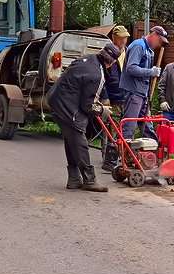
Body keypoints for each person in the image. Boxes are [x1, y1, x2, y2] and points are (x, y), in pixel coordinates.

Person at [47, 42, 123, 192]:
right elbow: (88, 106)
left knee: (72, 138)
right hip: (66, 105)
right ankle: (89, 180)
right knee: (79, 139)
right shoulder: (97, 75)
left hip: (54, 99)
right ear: (111, 62)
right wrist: (102, 110)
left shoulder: (87, 58)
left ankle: (74, 179)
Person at [119, 25, 169, 138]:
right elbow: (131, 68)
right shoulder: (139, 46)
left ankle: (150, 153)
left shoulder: (149, 50)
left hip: (142, 94)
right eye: (160, 41)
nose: (160, 44)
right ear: (154, 35)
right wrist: (150, 72)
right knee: (129, 126)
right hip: (133, 92)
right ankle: (121, 153)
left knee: (147, 125)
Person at [100, 25, 131, 172]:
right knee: (112, 128)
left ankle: (123, 157)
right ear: (114, 37)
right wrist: (104, 97)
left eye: (125, 37)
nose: (123, 40)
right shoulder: (108, 53)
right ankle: (109, 159)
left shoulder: (129, 52)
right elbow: (102, 78)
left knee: (125, 129)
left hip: (127, 96)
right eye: (121, 38)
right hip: (113, 97)